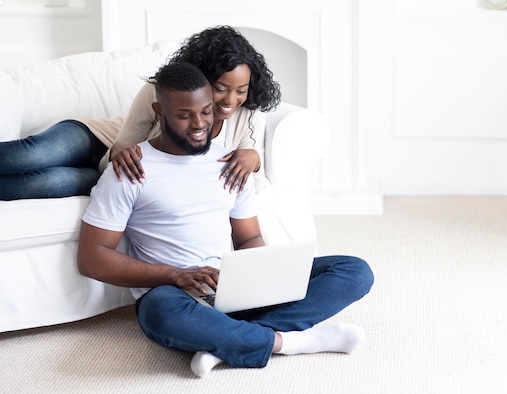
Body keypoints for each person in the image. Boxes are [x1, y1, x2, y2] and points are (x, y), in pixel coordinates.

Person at [77, 62, 374, 377]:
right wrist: (176, 275)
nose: (199, 124)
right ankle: (289, 342)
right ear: (158, 111)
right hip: (171, 292)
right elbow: (93, 259)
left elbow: (248, 238)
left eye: (206, 112)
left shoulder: (229, 164)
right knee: (159, 315)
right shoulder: (130, 170)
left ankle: (222, 341)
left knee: (353, 271)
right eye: (184, 115)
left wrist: (261, 274)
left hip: (233, 285)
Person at [107, 25, 281, 195]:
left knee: (81, 179)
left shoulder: (248, 113)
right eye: (220, 89)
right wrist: (118, 150)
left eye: (241, 91)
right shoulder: (160, 92)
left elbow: (256, 188)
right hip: (100, 135)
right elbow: (113, 155)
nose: (230, 100)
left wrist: (254, 161)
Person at [0, 118, 122, 200]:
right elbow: (127, 138)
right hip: (97, 135)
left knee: (47, 182)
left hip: (106, 175)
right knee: (32, 156)